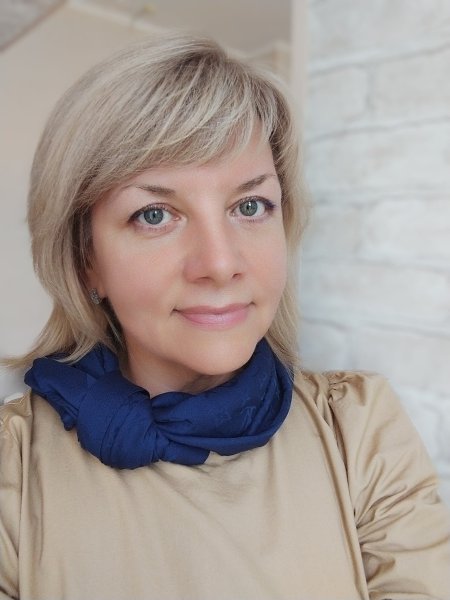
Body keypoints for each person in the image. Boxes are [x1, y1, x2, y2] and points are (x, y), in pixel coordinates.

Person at [0, 32, 449, 600]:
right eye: (155, 214)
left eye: (250, 205)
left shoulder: (357, 430)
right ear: (86, 259)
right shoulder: (14, 465)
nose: (219, 263)